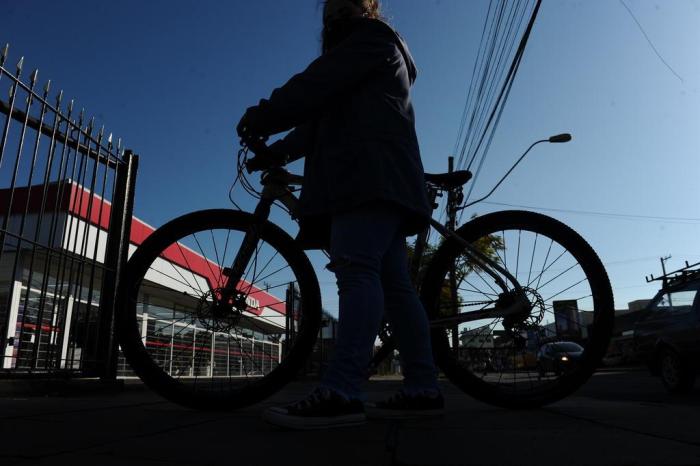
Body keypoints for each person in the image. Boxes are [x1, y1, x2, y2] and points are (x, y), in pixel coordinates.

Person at [237, 0, 443, 430]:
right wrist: (275, 151)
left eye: (344, 5)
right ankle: (424, 387)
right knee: (394, 286)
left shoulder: (369, 40)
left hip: (366, 175)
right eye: (329, 10)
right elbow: (319, 122)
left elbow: (316, 85)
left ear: (369, 9)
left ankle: (343, 390)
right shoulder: (368, 52)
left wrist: (264, 114)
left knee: (356, 271)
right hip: (380, 176)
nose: (333, 15)